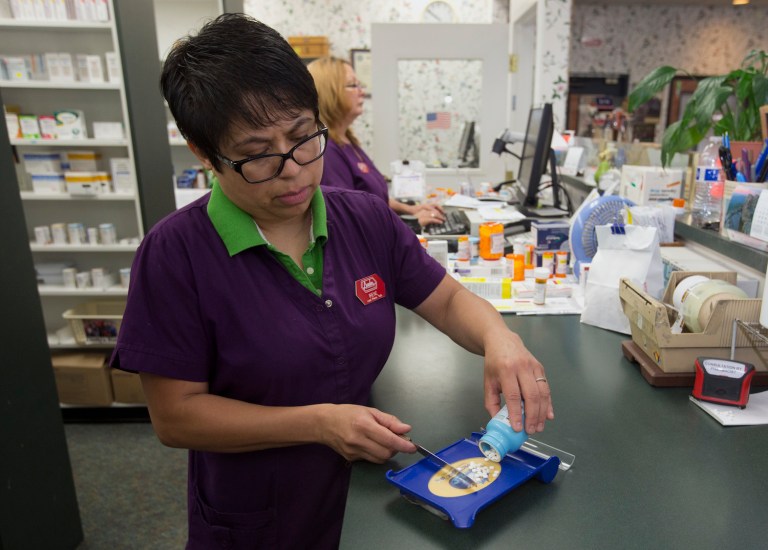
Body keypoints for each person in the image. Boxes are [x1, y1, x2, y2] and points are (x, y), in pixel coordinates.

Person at [110, 13, 553, 550]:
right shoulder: (175, 254)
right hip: (258, 512)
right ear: (203, 152)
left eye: (303, 138)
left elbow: (447, 299)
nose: (293, 169)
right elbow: (176, 418)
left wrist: (499, 339)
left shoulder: (363, 218)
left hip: (366, 494)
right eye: (256, 156)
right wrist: (318, 423)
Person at [307, 56, 446, 228]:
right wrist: (413, 224)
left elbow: (375, 197)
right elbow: (349, 220)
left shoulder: (347, 140)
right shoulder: (328, 151)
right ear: (329, 93)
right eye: (352, 85)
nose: (362, 91)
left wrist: (411, 210)